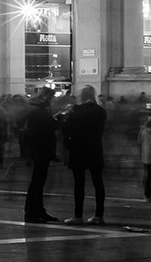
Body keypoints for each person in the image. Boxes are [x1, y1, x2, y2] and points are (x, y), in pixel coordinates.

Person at [61, 85, 108, 224]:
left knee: (79, 183)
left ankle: (78, 215)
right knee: (98, 182)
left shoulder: (75, 110)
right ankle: (99, 215)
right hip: (95, 148)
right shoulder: (100, 111)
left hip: (78, 149)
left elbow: (66, 128)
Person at [22, 88, 60, 223]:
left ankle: (38, 210)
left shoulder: (36, 108)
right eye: (52, 97)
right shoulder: (39, 110)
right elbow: (46, 127)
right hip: (40, 148)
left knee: (39, 181)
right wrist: (59, 119)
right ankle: (32, 212)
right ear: (46, 97)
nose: (53, 100)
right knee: (37, 181)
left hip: (38, 148)